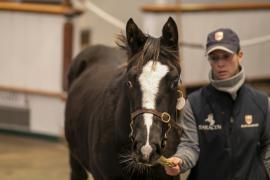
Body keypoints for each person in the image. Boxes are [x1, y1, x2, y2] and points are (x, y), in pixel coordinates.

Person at [164, 28, 270, 180]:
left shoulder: (262, 102)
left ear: (240, 55)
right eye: (214, 58)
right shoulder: (194, 103)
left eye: (226, 56)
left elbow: (268, 147)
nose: (220, 63)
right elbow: (190, 146)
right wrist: (179, 161)